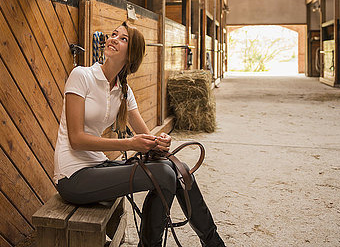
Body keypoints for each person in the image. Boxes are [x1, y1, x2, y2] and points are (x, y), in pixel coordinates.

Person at [54, 22, 226, 247]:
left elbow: (145, 137)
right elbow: (76, 140)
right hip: (73, 176)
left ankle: (213, 242)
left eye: (123, 38)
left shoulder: (124, 90)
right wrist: (131, 143)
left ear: (131, 55)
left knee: (176, 169)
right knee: (164, 175)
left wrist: (160, 142)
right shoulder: (82, 76)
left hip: (98, 165)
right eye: (114, 34)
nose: (113, 38)